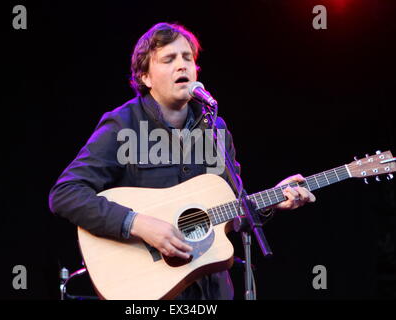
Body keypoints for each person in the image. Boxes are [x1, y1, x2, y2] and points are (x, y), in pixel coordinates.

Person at [48, 22, 316, 300]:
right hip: (150, 288)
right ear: (145, 77)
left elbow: (233, 213)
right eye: (169, 59)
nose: (182, 65)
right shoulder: (122, 124)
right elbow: (66, 194)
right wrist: (137, 223)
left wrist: (272, 201)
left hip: (212, 290)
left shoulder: (215, 128)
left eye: (188, 58)